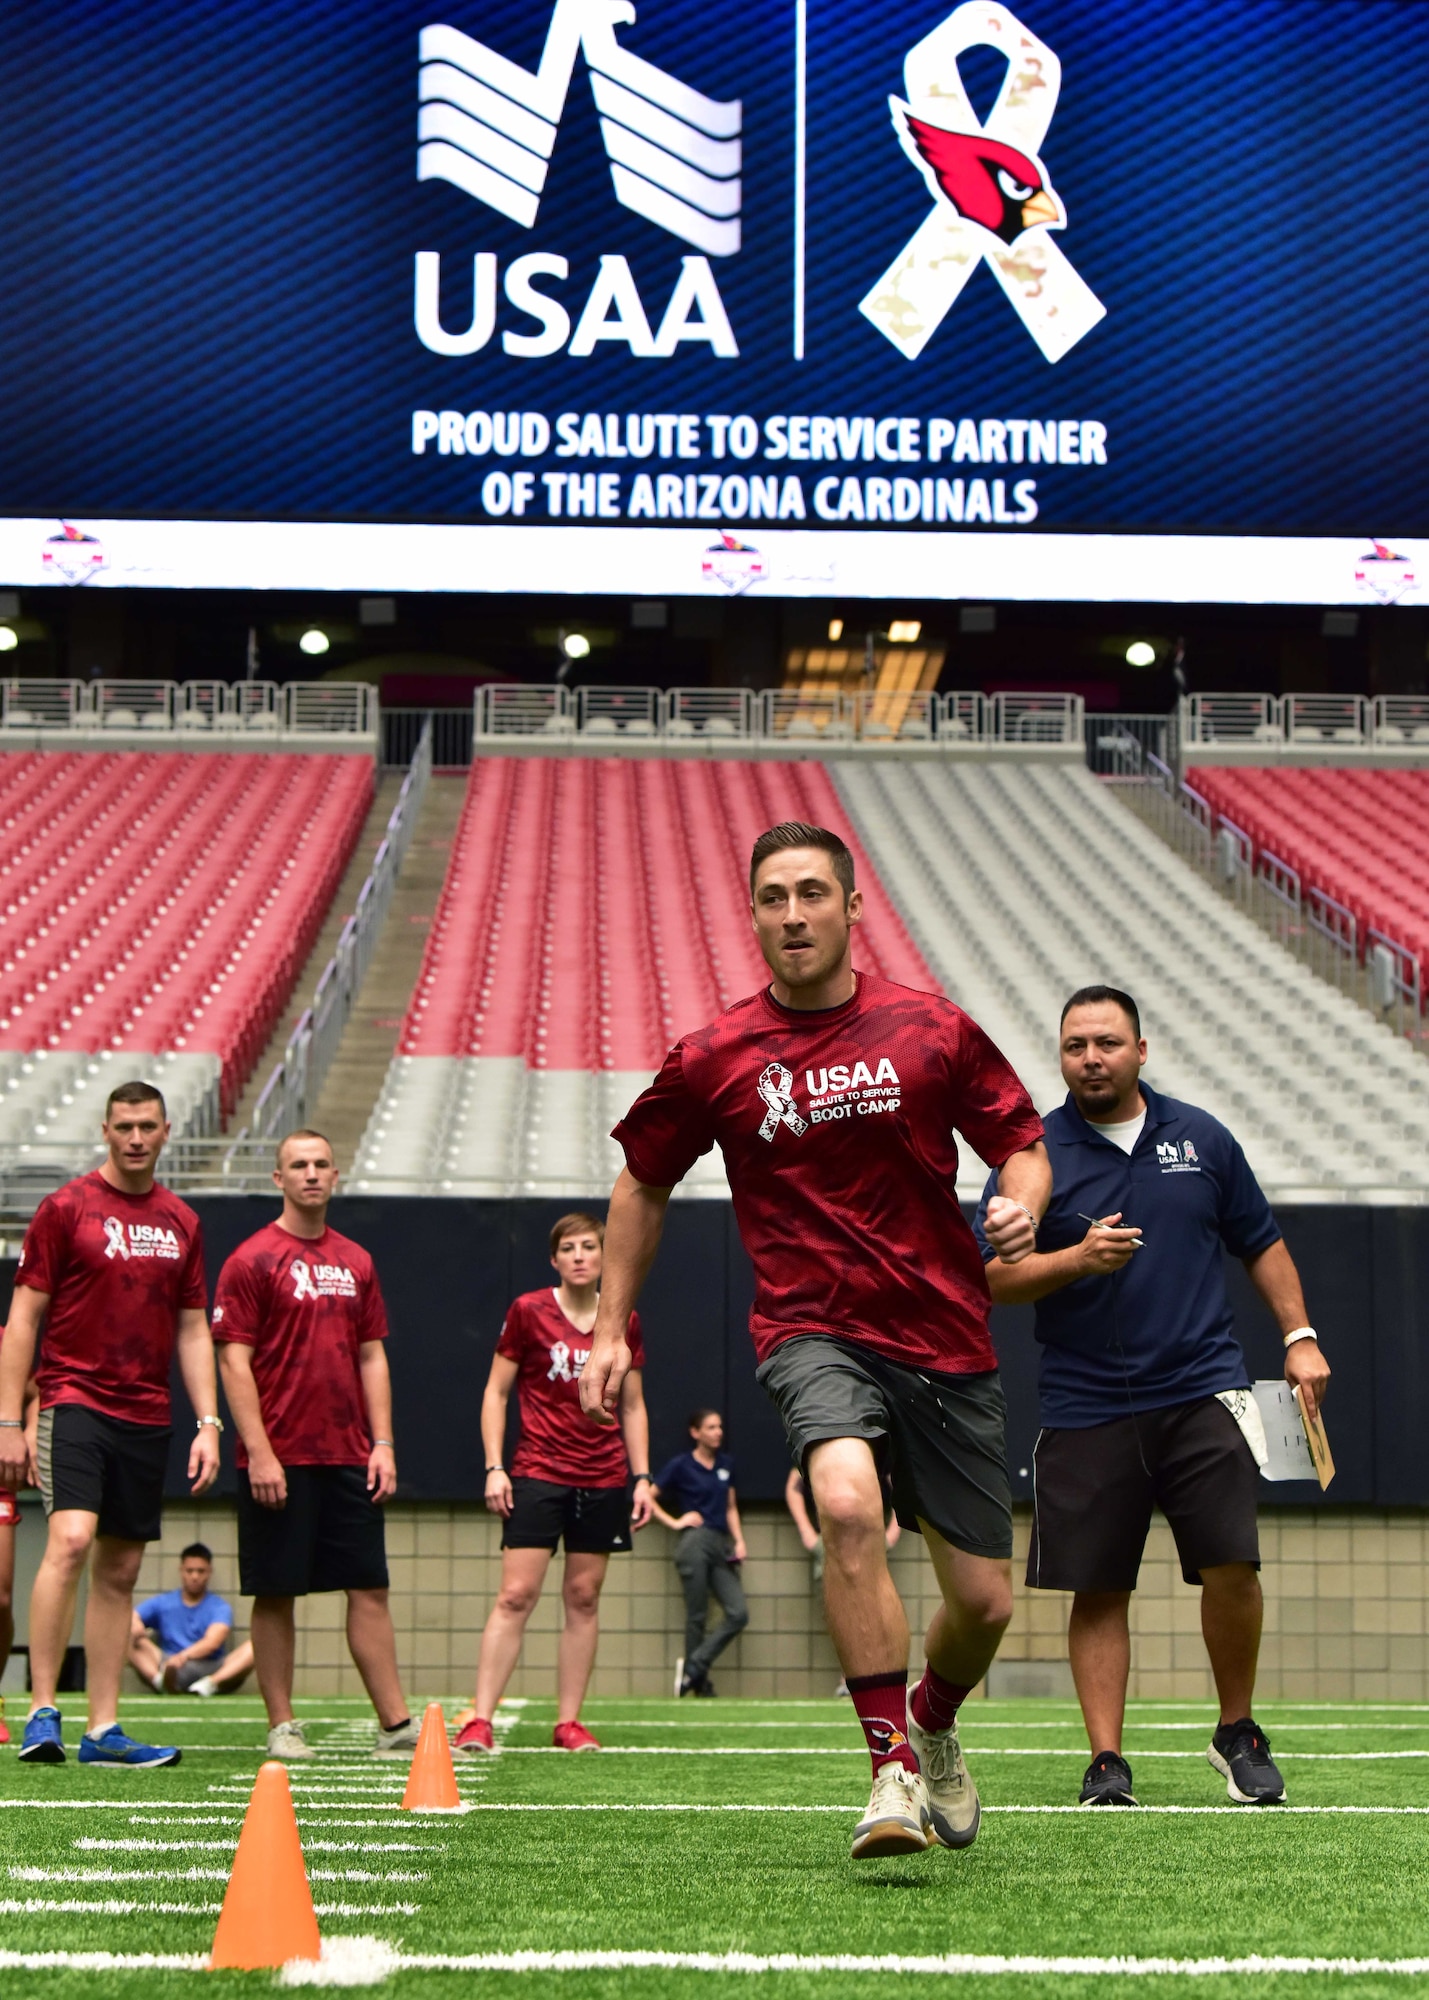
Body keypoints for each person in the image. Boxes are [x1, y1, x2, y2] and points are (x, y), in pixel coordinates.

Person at [582, 820, 1049, 1860]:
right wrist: (610, 1326)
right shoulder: (714, 1054)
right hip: (810, 1326)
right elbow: (641, 1180)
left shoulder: (931, 1029)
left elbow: (1019, 1139)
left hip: (941, 1331)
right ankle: (888, 1769)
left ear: (850, 905)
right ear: (752, 914)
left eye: (810, 893)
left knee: (982, 1602)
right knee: (843, 1500)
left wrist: (1019, 1204)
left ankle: (930, 1721)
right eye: (771, 898)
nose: (791, 914)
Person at [975, 986, 1331, 1809]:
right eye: (1074, 1046)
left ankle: (1235, 1732)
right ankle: (1106, 1761)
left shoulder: (1201, 1138)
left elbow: (1261, 1242)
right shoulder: (1033, 1156)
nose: (1090, 1059)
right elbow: (992, 1278)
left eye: (1105, 1042)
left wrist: (1299, 1335)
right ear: (1059, 1056)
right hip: (1083, 1401)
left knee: (1232, 1565)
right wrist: (1076, 1260)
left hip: (1204, 1387)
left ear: (1142, 1049)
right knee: (1098, 1586)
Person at [0, 1081, 222, 1768]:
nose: (134, 1137)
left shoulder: (182, 1221)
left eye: (146, 1126)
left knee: (120, 1571)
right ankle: (43, 1710)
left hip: (146, 1411)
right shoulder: (66, 1208)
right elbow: (24, 1320)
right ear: (105, 1130)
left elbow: (192, 1330)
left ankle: (103, 1730)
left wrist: (209, 1421)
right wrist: (9, 1419)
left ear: (164, 1133)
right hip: (73, 1399)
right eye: (123, 1125)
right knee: (69, 1539)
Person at [213, 1130, 419, 1761]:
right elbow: (232, 1362)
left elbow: (371, 1355)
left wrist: (381, 1443)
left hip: (349, 1455)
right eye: (297, 1165)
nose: (310, 1174)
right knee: (276, 1591)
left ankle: (395, 1726)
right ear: (278, 1179)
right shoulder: (250, 1259)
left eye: (321, 1164)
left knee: (369, 1587)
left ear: (335, 1176)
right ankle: (282, 1725)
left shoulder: (356, 1260)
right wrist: (261, 1451)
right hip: (279, 1458)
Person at [456, 1213, 652, 1755]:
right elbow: (496, 1394)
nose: (582, 1255)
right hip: (538, 1471)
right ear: (555, 1259)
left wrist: (642, 1477)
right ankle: (480, 1720)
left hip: (605, 1476)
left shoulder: (624, 1321)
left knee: (584, 1598)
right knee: (516, 1594)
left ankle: (569, 1722)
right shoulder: (528, 1311)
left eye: (591, 1246)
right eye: (570, 1247)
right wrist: (495, 1466)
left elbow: (633, 1406)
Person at [650, 1409, 748, 1697]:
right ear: (696, 1433)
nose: (718, 1432)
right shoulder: (681, 1465)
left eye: (720, 1426)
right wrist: (674, 1522)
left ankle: (693, 1668)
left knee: (738, 1613)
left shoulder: (725, 1465)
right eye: (711, 1427)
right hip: (694, 1541)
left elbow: (730, 1507)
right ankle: (699, 1683)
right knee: (697, 1614)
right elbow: (648, 1498)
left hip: (720, 1542)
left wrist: (739, 1540)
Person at [130, 1542, 254, 1696]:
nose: (195, 1576)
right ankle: (159, 1682)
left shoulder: (219, 1607)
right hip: (167, 1666)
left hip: (210, 1667)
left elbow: (212, 1642)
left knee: (257, 1645)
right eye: (190, 1571)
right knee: (122, 1633)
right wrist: (135, 1626)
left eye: (200, 1571)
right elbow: (131, 1617)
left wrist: (183, 1657)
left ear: (209, 1572)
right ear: (181, 1571)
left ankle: (209, 1685)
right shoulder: (163, 1602)